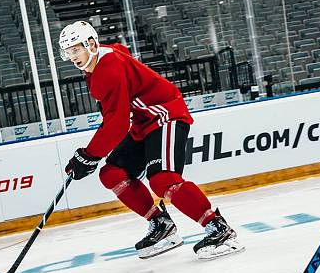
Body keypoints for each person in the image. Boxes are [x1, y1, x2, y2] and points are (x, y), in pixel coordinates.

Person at [59, 21, 244, 260]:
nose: (72, 57)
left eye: (76, 49)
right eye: (68, 52)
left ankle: (219, 229)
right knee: (112, 173)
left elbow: (116, 124)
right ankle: (161, 225)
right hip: (144, 123)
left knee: (163, 180)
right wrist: (89, 156)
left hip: (165, 115)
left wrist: (89, 155)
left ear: (91, 44)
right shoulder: (98, 62)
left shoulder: (107, 68)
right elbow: (120, 63)